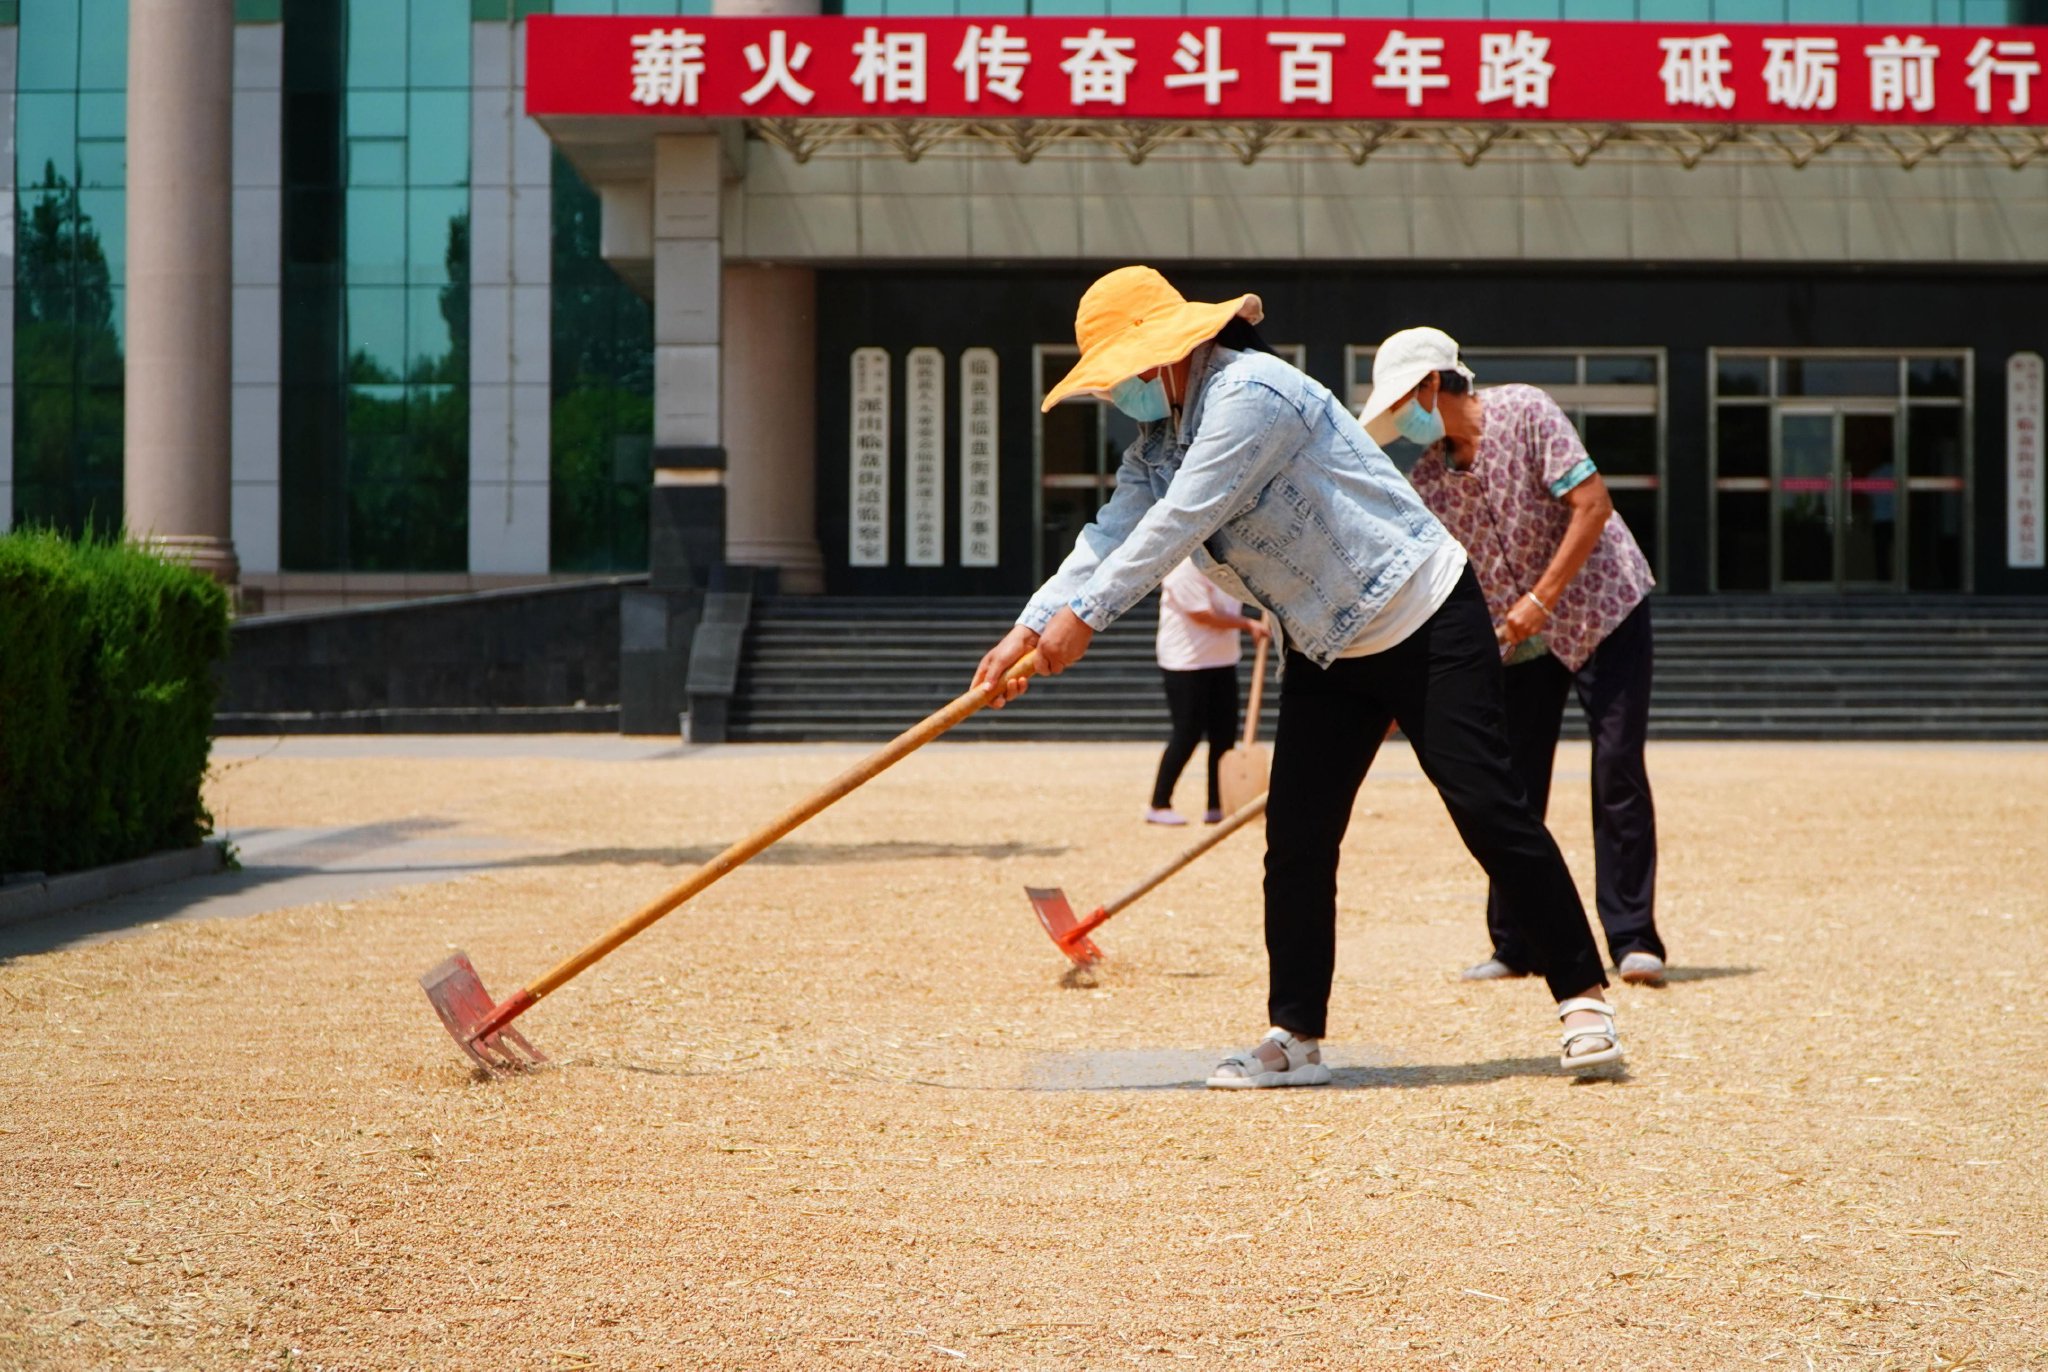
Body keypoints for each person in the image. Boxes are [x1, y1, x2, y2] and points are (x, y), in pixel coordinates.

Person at [972, 266, 1627, 1085]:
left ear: (1170, 353)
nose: (1120, 395)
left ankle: (1584, 998)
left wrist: (1087, 619)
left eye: (1125, 373)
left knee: (1487, 802)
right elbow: (1112, 531)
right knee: (1299, 839)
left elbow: (1184, 519)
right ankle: (1296, 1035)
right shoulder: (1158, 438)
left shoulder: (1253, 394)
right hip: (1326, 644)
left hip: (1422, 610)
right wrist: (1030, 624)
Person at [1360, 327, 1668, 988]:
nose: (1401, 423)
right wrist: (1397, 687)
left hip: (1604, 607)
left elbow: (1593, 504)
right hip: (1519, 641)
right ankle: (1516, 942)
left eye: (1401, 405)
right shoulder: (1429, 482)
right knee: (1510, 782)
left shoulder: (1526, 410)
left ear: (1432, 386)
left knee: (1616, 767)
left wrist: (1543, 595)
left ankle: (1633, 937)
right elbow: (1428, 585)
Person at [1148, 559, 1267, 827]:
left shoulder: (1230, 564)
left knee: (1224, 735)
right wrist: (1248, 624)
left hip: (1223, 659)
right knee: (1187, 733)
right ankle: (1159, 803)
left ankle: (1217, 805)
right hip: (1185, 661)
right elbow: (1202, 614)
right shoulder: (1184, 566)